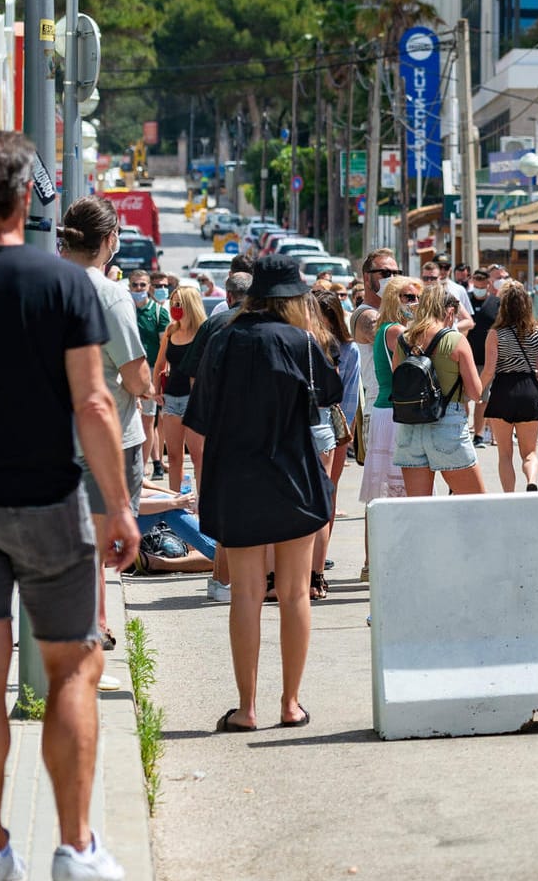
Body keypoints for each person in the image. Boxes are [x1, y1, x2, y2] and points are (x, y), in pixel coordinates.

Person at [0, 131, 139, 881]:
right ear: (21, 200)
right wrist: (121, 507)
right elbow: (96, 405)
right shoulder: (66, 286)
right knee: (72, 669)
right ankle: (74, 849)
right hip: (47, 501)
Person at [184, 254, 341, 736]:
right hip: (292, 474)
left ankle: (246, 708)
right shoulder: (299, 341)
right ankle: (290, 704)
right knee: (294, 594)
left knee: (246, 595)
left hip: (236, 478)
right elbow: (330, 393)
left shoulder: (222, 338)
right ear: (294, 298)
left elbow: (200, 415)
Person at [56, 198, 152, 649]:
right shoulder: (110, 293)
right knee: (97, 542)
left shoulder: (42, 283)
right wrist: (149, 387)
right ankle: (90, 628)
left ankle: (93, 623)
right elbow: (135, 375)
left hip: (48, 434)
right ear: (109, 240)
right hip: (106, 436)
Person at [387, 284, 485, 496]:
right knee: (476, 506)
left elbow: (398, 379)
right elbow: (476, 393)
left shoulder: (404, 339)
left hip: (410, 427)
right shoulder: (455, 339)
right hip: (447, 424)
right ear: (449, 312)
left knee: (420, 510)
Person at [308, 292, 358, 598]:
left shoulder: (347, 348)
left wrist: (346, 437)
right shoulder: (307, 340)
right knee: (317, 500)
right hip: (323, 424)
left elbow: (349, 396)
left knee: (328, 498)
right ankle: (312, 568)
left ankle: (317, 568)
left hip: (334, 425)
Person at [359, 274, 419, 509]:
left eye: (417, 297)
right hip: (394, 413)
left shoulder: (387, 328)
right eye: (409, 297)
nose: (415, 302)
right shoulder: (395, 331)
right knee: (397, 496)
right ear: (395, 299)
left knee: (387, 496)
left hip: (388, 410)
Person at [478, 281, 538, 492]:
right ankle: (531, 480)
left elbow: (489, 370)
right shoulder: (536, 332)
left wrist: (476, 390)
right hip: (528, 389)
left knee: (505, 454)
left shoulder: (495, 334)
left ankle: (509, 495)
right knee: (530, 452)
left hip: (502, 391)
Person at [153, 285, 208, 493]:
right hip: (171, 399)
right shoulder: (171, 330)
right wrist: (156, 391)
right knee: (174, 456)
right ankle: (175, 504)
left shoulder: (203, 331)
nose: (174, 307)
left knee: (198, 456)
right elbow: (159, 364)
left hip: (193, 400)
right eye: (172, 303)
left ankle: (202, 506)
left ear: (190, 305)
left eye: (178, 303)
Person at [128, 268, 167, 479]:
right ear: (129, 286)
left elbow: (164, 346)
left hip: (150, 370)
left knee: (147, 420)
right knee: (128, 416)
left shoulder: (159, 312)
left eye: (143, 285)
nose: (139, 289)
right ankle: (135, 467)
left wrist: (159, 377)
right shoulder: (125, 309)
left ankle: (142, 470)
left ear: (148, 287)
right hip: (126, 368)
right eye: (135, 285)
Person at [467, 266, 501, 445]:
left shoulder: (496, 303)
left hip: (487, 360)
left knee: (482, 398)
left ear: (489, 284)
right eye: (476, 283)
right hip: (466, 358)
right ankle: (464, 431)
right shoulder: (467, 300)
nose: (479, 287)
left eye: (483, 284)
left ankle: (478, 435)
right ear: (473, 283)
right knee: (464, 398)